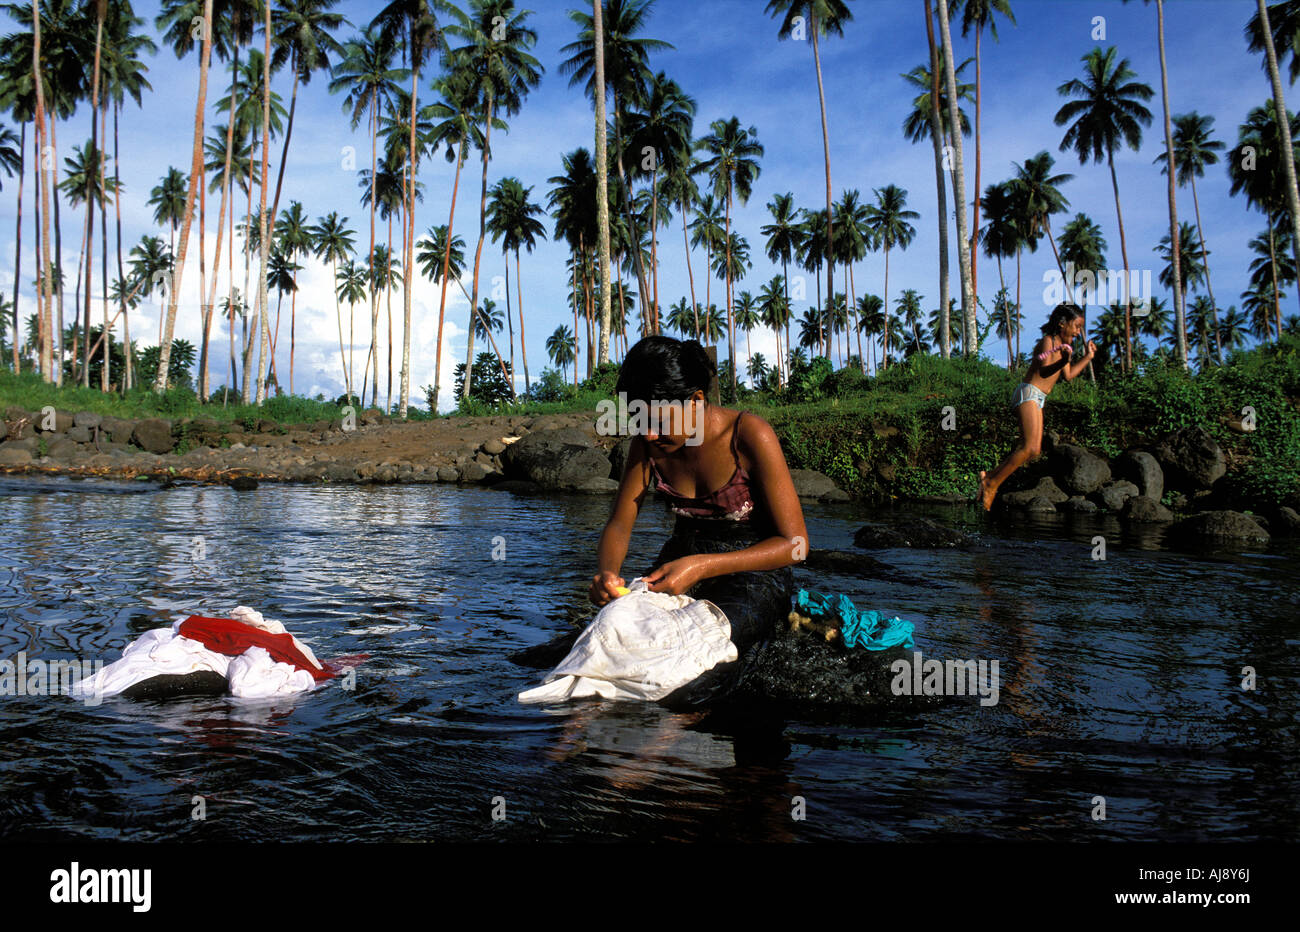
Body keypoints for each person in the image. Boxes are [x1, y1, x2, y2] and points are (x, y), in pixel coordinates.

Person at [587, 336, 808, 706]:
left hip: (753, 572)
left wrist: (704, 566)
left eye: (658, 421)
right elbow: (621, 522)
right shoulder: (647, 444)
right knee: (609, 643)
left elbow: (796, 545)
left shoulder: (749, 435)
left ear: (696, 401)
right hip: (678, 565)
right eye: (639, 421)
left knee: (693, 663)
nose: (649, 434)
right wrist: (607, 574)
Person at [978, 303, 1097, 510]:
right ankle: (991, 484)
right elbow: (1043, 372)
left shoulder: (1064, 349)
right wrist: (1063, 361)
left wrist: (1087, 357)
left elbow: (1068, 376)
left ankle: (990, 476)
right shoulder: (1048, 341)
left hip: (1038, 398)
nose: (1079, 333)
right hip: (1028, 393)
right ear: (1062, 324)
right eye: (1077, 326)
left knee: (1034, 450)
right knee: (1030, 447)